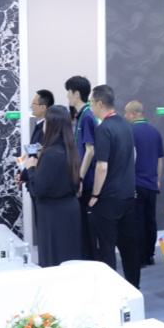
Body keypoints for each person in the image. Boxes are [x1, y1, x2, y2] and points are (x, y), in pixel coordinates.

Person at [88, 84, 140, 288]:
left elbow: (102, 166)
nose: (91, 106)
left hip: (109, 198)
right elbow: (133, 155)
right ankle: (134, 288)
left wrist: (95, 195)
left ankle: (110, 290)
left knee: (106, 247)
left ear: (100, 103)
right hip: (127, 196)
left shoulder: (103, 129)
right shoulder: (125, 124)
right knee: (129, 246)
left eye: (92, 102)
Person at [23, 105, 82, 267]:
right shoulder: (71, 150)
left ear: (51, 125)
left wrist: (31, 168)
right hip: (70, 210)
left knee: (53, 260)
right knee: (70, 258)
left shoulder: (50, 154)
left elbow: (38, 188)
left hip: (53, 214)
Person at [124, 99, 164, 267]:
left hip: (136, 184)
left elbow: (127, 160)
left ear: (133, 114)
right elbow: (160, 160)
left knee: (138, 221)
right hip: (151, 184)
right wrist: (157, 180)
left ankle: (140, 258)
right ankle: (150, 254)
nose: (125, 116)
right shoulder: (155, 132)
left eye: (126, 113)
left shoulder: (130, 133)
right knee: (150, 220)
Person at [66, 75, 98, 259]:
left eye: (69, 93)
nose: (67, 97)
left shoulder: (87, 116)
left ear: (76, 93)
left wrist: (80, 178)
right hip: (84, 180)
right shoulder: (81, 116)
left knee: (87, 228)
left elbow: (90, 151)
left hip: (87, 182)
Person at [16, 89, 53, 237]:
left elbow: (39, 159)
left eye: (34, 103)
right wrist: (22, 174)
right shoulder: (38, 127)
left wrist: (25, 174)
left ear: (43, 107)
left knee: (44, 227)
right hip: (33, 180)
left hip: (41, 184)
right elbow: (32, 155)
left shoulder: (47, 130)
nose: (31, 106)